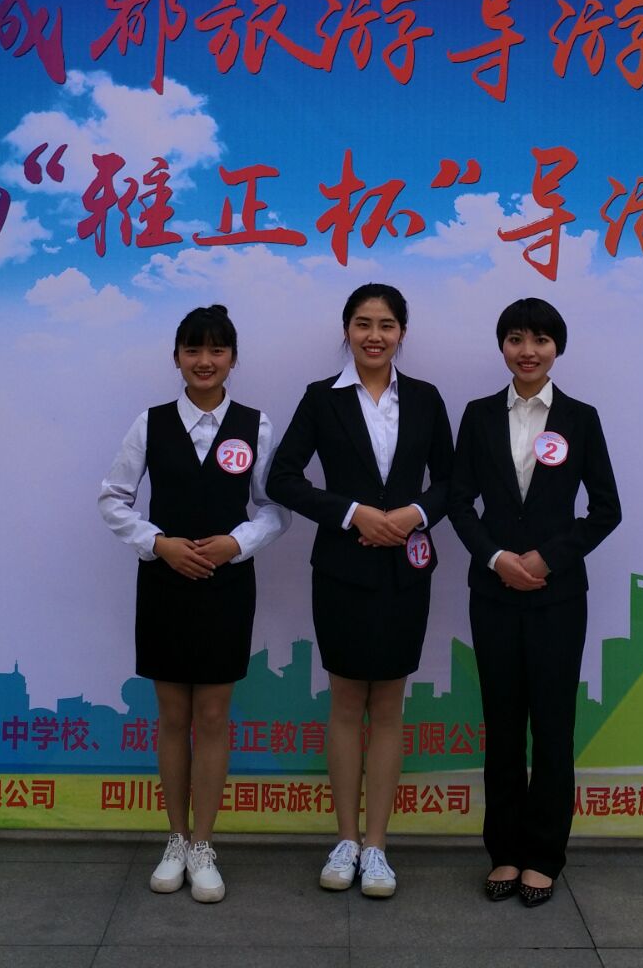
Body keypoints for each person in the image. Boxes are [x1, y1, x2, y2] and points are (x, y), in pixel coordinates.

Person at [268, 283, 453, 899]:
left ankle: (377, 846)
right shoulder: (321, 398)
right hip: (342, 571)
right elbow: (283, 478)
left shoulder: (425, 398)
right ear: (346, 329)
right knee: (346, 702)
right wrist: (351, 513)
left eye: (387, 325)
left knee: (390, 704)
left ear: (402, 333)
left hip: (405, 570)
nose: (375, 336)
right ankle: (345, 840)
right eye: (363, 324)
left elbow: (452, 481)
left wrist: (413, 514)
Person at [98, 303, 287, 904]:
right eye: (193, 350)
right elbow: (112, 499)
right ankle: (175, 839)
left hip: (227, 586)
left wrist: (237, 543)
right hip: (165, 584)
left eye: (216, 350)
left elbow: (275, 508)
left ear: (233, 358)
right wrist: (159, 543)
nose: (205, 361)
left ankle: (204, 844)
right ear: (176, 357)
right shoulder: (150, 423)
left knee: (212, 718)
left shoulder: (256, 425)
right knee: (173, 717)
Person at [447, 297, 620, 907]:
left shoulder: (580, 418)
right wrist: (497, 558)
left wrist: (548, 558)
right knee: (501, 725)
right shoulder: (477, 415)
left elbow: (606, 509)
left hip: (557, 597)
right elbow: (459, 501)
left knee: (551, 725)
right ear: (503, 346)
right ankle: (504, 851)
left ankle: (544, 855)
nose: (528, 351)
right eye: (516, 339)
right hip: (493, 592)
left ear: (557, 348)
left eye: (540, 340)